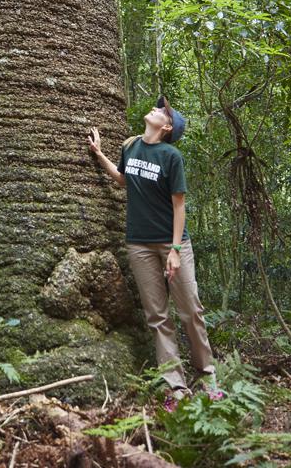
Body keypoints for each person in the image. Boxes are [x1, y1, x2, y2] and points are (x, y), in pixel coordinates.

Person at [88, 95, 218, 403]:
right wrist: (99, 153)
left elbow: (179, 206)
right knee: (158, 316)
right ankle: (175, 387)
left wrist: (174, 249)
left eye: (163, 110)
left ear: (168, 126)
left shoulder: (171, 156)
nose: (156, 109)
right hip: (139, 244)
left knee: (190, 311)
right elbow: (122, 180)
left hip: (173, 244)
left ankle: (208, 380)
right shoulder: (130, 146)